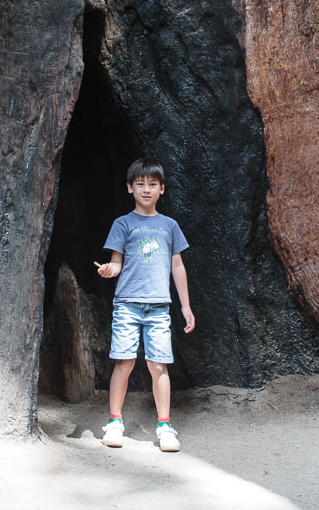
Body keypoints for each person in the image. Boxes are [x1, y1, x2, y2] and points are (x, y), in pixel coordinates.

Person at [95, 157, 195, 452]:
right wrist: (108, 271)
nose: (146, 189)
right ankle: (114, 422)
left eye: (153, 184)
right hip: (127, 304)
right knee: (124, 362)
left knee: (158, 365)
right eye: (140, 184)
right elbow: (116, 263)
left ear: (162, 189)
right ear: (130, 188)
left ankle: (164, 426)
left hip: (159, 307)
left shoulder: (170, 226)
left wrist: (185, 306)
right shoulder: (123, 224)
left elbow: (177, 266)